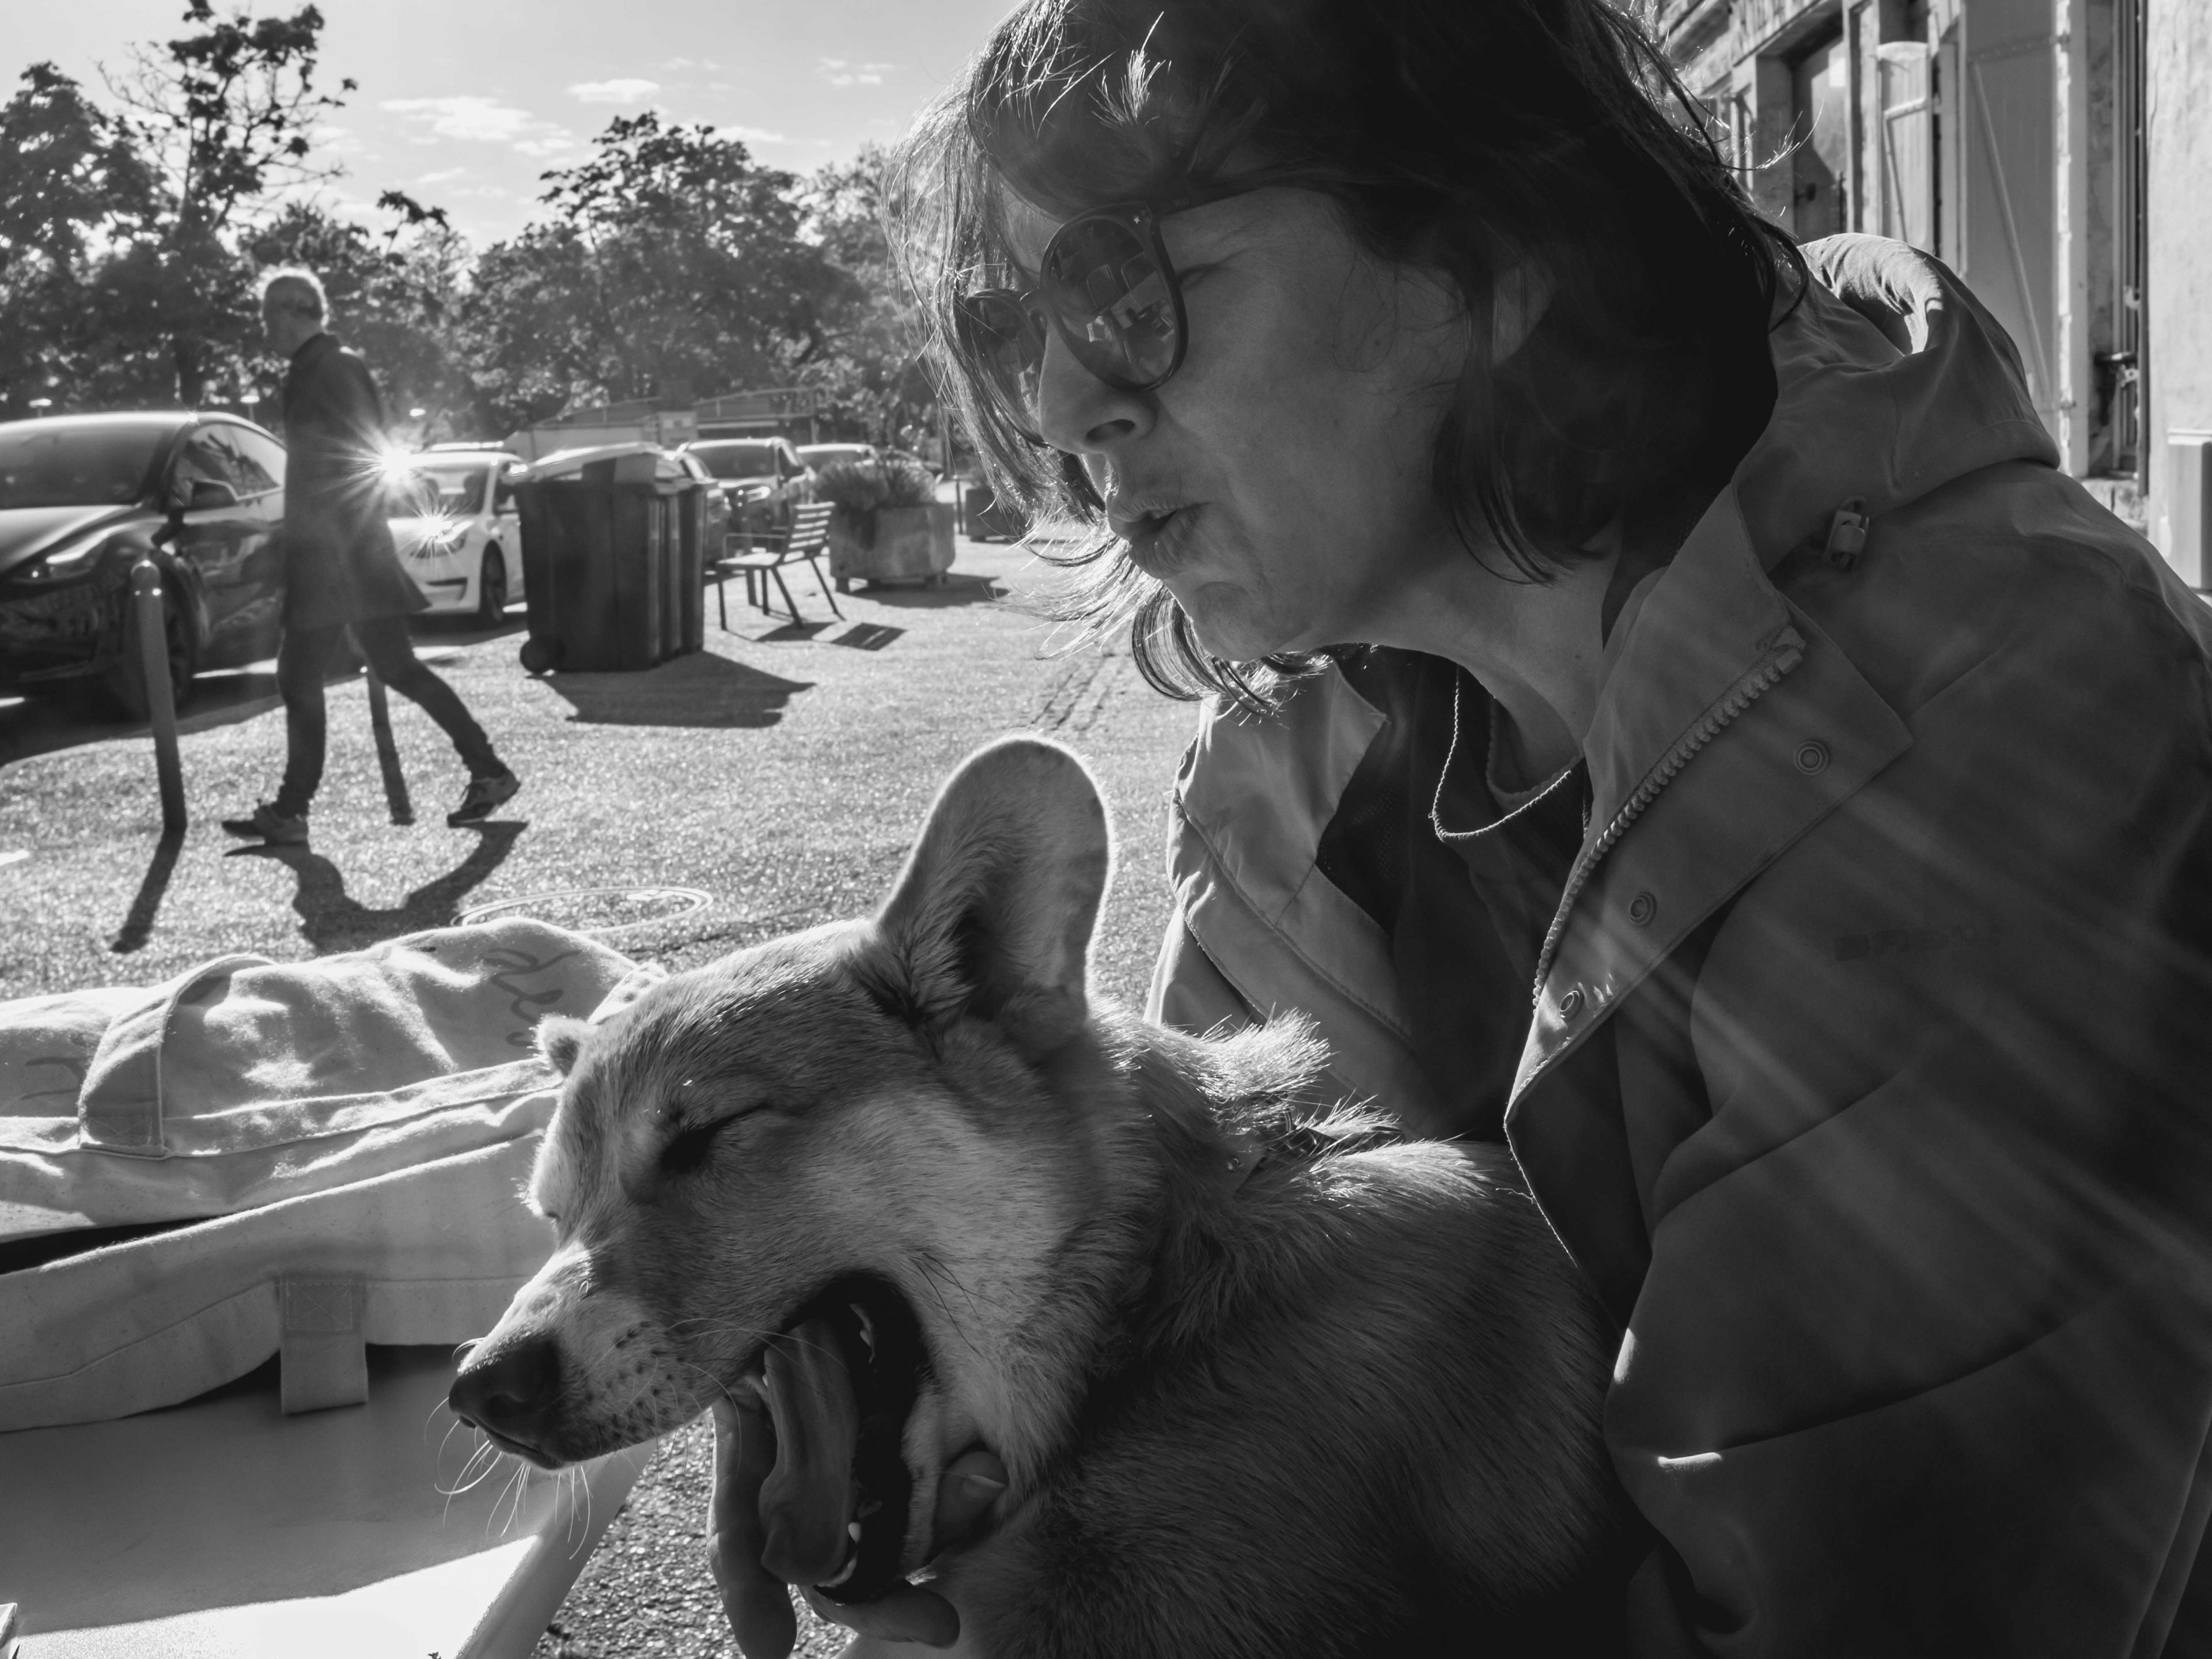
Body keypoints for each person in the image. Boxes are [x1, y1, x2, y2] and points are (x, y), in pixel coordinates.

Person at [703, 1, 2212, 1654]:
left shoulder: (1984, 732)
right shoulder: (1315, 729)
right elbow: (1208, 1310)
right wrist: (886, 1336)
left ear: (1492, 246)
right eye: (1017, 331)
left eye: (1123, 291)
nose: (1065, 408)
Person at [222, 269, 518, 844]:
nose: (264, 330)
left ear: (290, 311)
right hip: (344, 554)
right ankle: (487, 771)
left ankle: (293, 812)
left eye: (266, 318)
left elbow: (358, 457)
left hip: (339, 558)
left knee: (305, 675)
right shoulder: (322, 367)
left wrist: (324, 546)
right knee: (391, 668)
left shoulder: (330, 369)